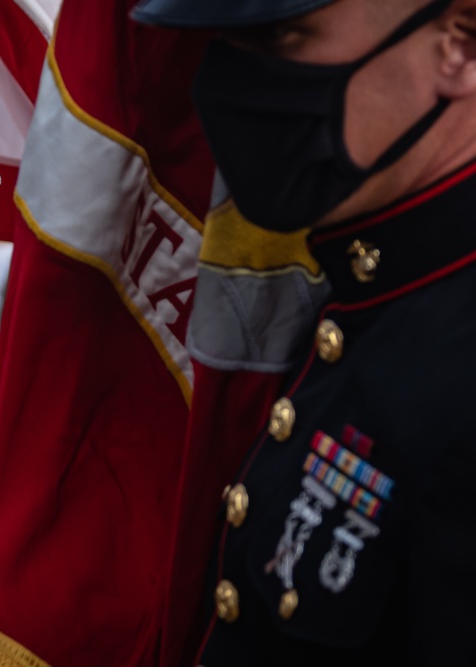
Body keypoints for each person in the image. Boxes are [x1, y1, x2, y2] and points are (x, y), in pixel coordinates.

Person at [132, 0, 476, 664]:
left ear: (458, 44)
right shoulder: (368, 289)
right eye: (228, 41)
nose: (234, 80)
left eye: (281, 36)